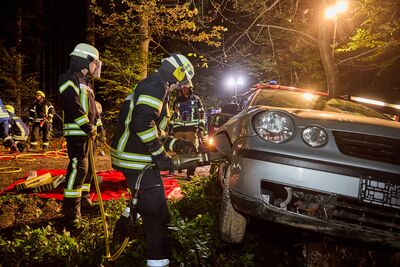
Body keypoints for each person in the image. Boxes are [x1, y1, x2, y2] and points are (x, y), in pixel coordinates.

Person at [111, 53, 196, 267]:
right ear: (177, 73)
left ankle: (119, 235)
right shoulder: (158, 86)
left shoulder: (154, 83)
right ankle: (158, 262)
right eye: (184, 79)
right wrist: (160, 156)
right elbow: (142, 123)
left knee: (143, 199)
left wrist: (176, 144)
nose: (183, 85)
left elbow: (153, 131)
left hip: (134, 157)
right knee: (157, 214)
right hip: (137, 159)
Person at [57, 43, 102, 227]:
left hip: (88, 134)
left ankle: (84, 200)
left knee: (89, 169)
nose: (95, 67)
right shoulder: (68, 78)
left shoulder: (85, 82)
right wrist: (87, 126)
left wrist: (98, 128)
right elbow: (71, 104)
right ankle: (70, 210)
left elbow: (93, 110)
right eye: (94, 63)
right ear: (86, 60)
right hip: (77, 133)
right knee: (79, 168)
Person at [170, 82, 206, 178]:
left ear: (190, 88)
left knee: (193, 151)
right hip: (178, 129)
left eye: (186, 87)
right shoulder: (177, 100)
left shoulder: (196, 99)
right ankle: (177, 168)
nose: (184, 89)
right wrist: (171, 127)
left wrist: (201, 127)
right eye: (182, 87)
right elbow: (173, 115)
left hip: (191, 129)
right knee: (177, 150)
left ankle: (190, 173)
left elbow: (202, 114)